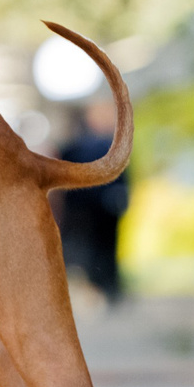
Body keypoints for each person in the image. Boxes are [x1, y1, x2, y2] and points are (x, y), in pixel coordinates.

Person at [53, 97, 130, 302]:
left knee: (91, 249)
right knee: (102, 248)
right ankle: (106, 289)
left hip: (85, 209)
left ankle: (99, 289)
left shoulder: (73, 147)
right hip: (101, 207)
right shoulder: (107, 144)